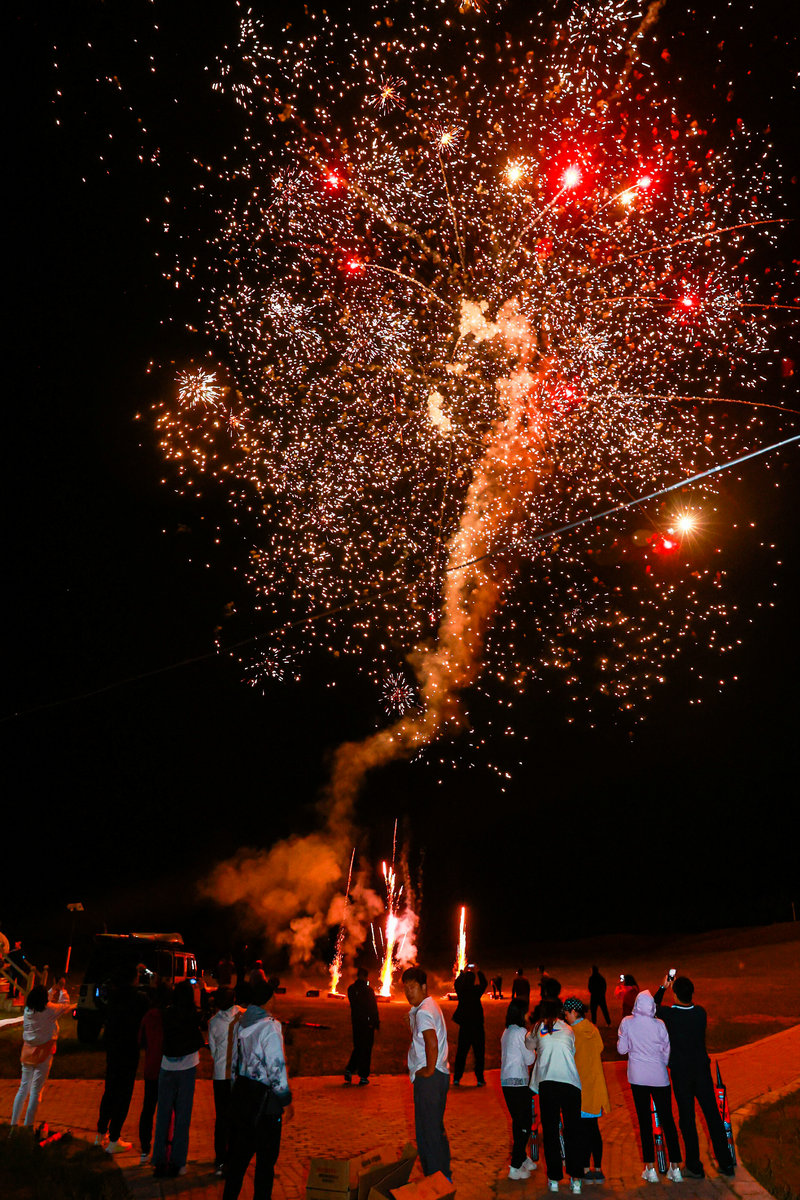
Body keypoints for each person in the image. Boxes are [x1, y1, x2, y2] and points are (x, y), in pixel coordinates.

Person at [654, 974, 735, 1179]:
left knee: (687, 1120)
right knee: (713, 1117)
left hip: (681, 1074)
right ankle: (726, 1163)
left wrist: (663, 987)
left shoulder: (670, 1015)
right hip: (702, 1071)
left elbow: (651, 1008)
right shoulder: (700, 1013)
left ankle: (694, 1166)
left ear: (675, 994)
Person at [223, 977, 293, 1200]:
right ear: (268, 1000)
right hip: (266, 1104)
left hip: (244, 1097)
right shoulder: (270, 1026)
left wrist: (238, 1091)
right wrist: (286, 1100)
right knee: (265, 1163)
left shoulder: (241, 1022)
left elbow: (235, 1060)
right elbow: (276, 1067)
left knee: (238, 1160)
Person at [617, 990, 683, 1183]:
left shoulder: (627, 1022)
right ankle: (676, 1167)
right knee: (668, 1121)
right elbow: (666, 1051)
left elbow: (622, 1049)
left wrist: (627, 1040)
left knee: (644, 1121)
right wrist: (659, 1064)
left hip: (638, 1077)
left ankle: (650, 1168)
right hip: (659, 1077)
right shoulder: (659, 1024)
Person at [526, 998, 584, 1194]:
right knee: (573, 1131)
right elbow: (571, 1051)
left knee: (550, 1132)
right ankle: (576, 1179)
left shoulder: (537, 1027)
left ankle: (554, 1178)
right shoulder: (568, 1029)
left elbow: (528, 1045)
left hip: (548, 1083)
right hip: (570, 1083)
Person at [402, 966, 451, 1180]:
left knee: (426, 1132)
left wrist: (428, 1070)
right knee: (434, 1129)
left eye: (412, 987)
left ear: (423, 986)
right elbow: (424, 1040)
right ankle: (444, 1175)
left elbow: (432, 1043)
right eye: (405, 988)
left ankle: (435, 1179)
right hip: (439, 1076)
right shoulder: (429, 1006)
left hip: (430, 1079)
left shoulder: (423, 1012)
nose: (408, 992)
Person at [152, 980, 205, 1178]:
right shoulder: (193, 1015)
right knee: (183, 1116)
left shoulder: (167, 1013)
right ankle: (178, 1162)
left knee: (163, 1115)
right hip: (187, 1067)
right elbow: (200, 1030)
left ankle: (159, 1160)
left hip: (167, 1066)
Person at [95, 965, 149, 1154]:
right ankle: (115, 1138)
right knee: (123, 1094)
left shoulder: (112, 994)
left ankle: (101, 1133)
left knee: (110, 1090)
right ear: (133, 978)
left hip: (113, 1047)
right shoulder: (138, 998)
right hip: (128, 1049)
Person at [562, 997, 611, 1184]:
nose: (565, 1018)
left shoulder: (571, 1032)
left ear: (574, 1013)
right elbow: (599, 1048)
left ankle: (583, 1167)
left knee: (580, 1132)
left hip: (579, 1088)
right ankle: (597, 1168)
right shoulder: (593, 1029)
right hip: (595, 1087)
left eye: (566, 1014)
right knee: (593, 1130)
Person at [10, 984, 72, 1127]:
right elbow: (65, 1005)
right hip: (44, 1052)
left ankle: (13, 1125)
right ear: (44, 999)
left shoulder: (28, 1010)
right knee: (36, 1091)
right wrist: (63, 990)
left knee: (23, 1088)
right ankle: (28, 1125)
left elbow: (43, 999)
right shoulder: (49, 1010)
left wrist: (52, 990)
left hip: (27, 1052)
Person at [208, 985, 244, 1174]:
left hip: (221, 1075)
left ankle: (220, 1159)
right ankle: (235, 1158)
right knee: (237, 1117)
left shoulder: (213, 1022)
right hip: (239, 1076)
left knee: (222, 1117)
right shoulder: (243, 1016)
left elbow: (213, 1051)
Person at [500, 1001, 536, 1181]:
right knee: (524, 1124)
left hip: (506, 1082)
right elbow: (529, 1059)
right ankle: (515, 1166)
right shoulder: (522, 1033)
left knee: (518, 1121)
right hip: (519, 1083)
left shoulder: (506, 1032)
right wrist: (535, 1050)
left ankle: (522, 1157)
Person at [138, 984, 169, 1165]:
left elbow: (141, 1041)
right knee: (165, 1110)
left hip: (151, 1068)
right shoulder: (169, 1017)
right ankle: (162, 1148)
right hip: (167, 1068)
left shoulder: (149, 1016)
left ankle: (145, 1149)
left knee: (148, 1109)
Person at [452, 964, 487, 1086]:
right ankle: (480, 1078)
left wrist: (462, 973)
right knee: (479, 1054)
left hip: (465, 1027)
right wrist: (478, 971)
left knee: (461, 1053)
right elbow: (484, 984)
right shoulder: (476, 991)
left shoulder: (462, 992)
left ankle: (457, 1078)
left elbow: (456, 984)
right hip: (477, 1027)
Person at [344, 967, 380, 1085]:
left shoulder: (351, 989)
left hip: (356, 1023)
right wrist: (375, 1022)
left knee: (358, 1047)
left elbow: (354, 1005)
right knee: (366, 1049)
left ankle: (350, 1069)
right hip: (367, 1024)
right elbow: (373, 1008)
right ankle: (363, 1075)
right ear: (366, 977)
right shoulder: (368, 991)